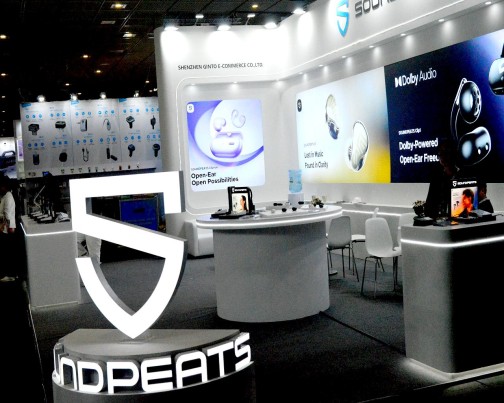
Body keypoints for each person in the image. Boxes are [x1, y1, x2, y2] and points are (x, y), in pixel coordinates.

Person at [424, 139, 461, 219]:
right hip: (438, 220)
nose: (443, 157)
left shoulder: (462, 175)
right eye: (440, 154)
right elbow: (429, 205)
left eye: (446, 153)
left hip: (459, 219)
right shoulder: (437, 176)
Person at [0, 174, 17, 282]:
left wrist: (9, 227)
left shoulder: (7, 197)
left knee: (7, 252)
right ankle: (8, 274)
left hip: (6, 228)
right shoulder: (6, 196)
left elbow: (7, 214)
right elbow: (7, 214)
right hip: (6, 228)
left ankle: (8, 274)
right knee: (7, 252)